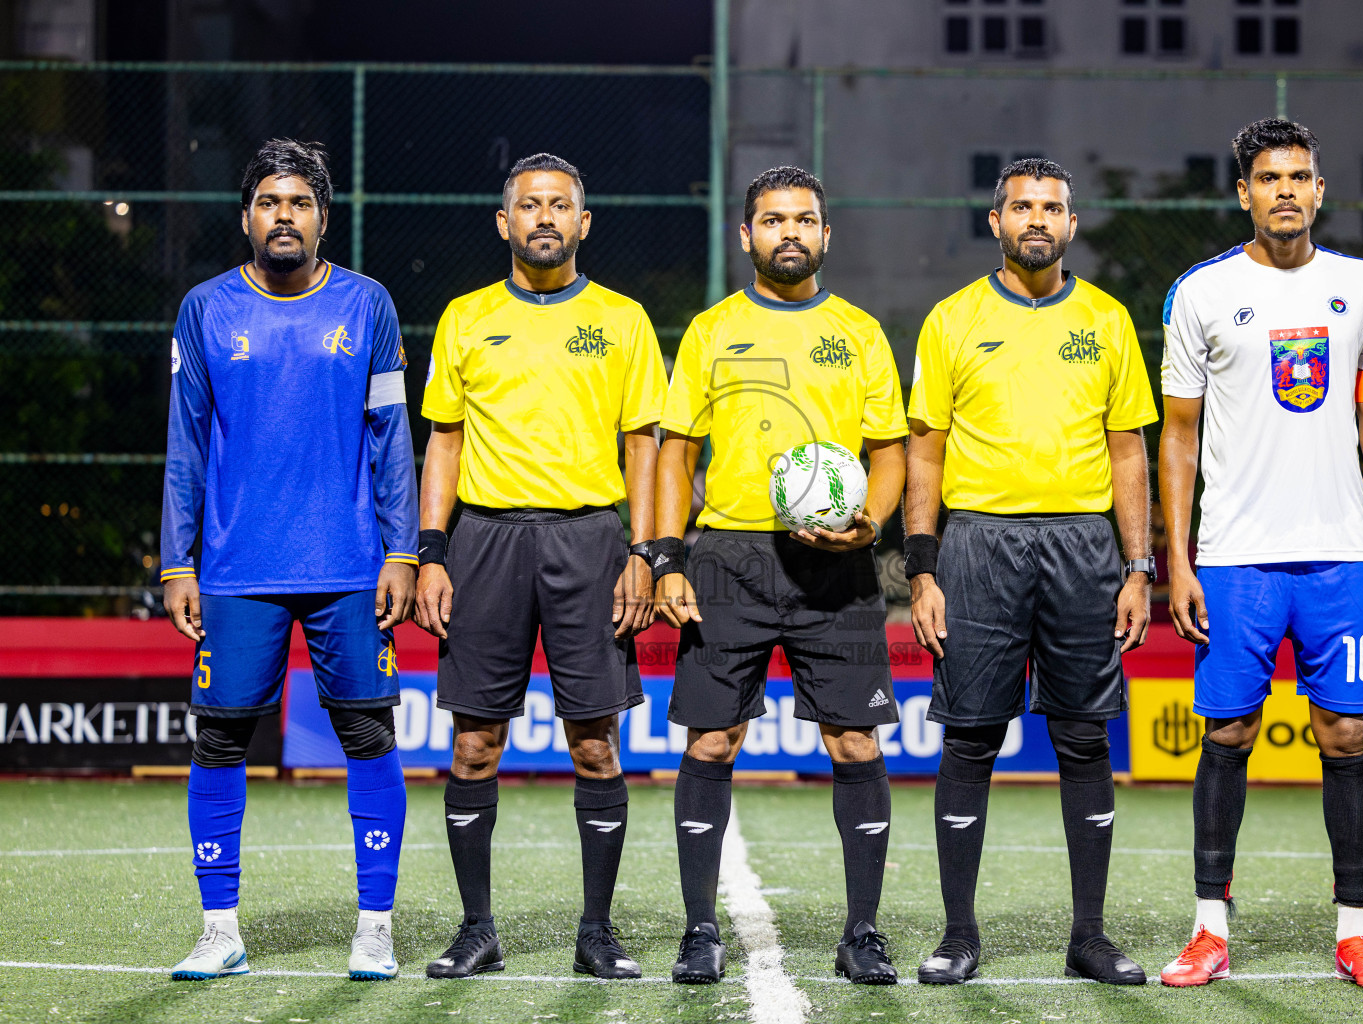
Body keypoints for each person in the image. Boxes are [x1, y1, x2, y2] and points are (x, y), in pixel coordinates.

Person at [1158, 118, 1363, 990]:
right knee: (1230, 728)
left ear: (1320, 189)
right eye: (1269, 179)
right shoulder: (1200, 293)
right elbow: (1178, 437)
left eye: (1300, 176)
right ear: (1244, 193)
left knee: (1343, 732)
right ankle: (1208, 931)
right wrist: (1178, 558)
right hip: (1234, 560)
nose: (1286, 192)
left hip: (1339, 557)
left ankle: (1355, 931)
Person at [160, 139, 417, 981]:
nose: (284, 216)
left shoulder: (369, 304)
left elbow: (392, 444)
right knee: (220, 742)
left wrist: (403, 550)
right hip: (236, 574)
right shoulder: (205, 309)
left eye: (299, 202)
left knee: (367, 732)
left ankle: (374, 924)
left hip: (348, 567)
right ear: (247, 217)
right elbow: (185, 447)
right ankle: (220, 926)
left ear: (321, 217)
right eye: (270, 201)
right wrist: (178, 563)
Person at [651, 166, 908, 985]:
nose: (788, 232)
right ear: (747, 236)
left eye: (804, 220)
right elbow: (675, 450)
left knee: (854, 739)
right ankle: (699, 931)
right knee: (713, 739)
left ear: (826, 236)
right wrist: (665, 556)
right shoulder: (711, 331)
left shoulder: (861, 333)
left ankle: (862, 932)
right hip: (729, 556)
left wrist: (872, 523)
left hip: (836, 562)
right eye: (772, 220)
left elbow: (890, 451)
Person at [414, 153, 667, 980]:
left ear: (584, 223)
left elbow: (644, 447)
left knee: (594, 744)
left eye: (561, 205)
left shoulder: (624, 319)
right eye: (530, 205)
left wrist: (644, 552)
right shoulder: (465, 317)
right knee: (475, 746)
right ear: (505, 222)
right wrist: (431, 551)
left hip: (590, 542)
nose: (546, 217)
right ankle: (476, 929)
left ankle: (597, 932)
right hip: (484, 542)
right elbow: (443, 441)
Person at [905, 158, 1157, 986]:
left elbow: (1129, 451)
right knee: (972, 734)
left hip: (1085, 546)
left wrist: (1138, 565)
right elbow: (926, 451)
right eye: (1021, 206)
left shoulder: (1109, 320)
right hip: (978, 543)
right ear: (996, 222)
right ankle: (958, 934)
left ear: (1071, 225)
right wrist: (922, 568)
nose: (1036, 219)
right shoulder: (951, 319)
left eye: (1051, 207)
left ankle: (1089, 935)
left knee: (1084, 734)